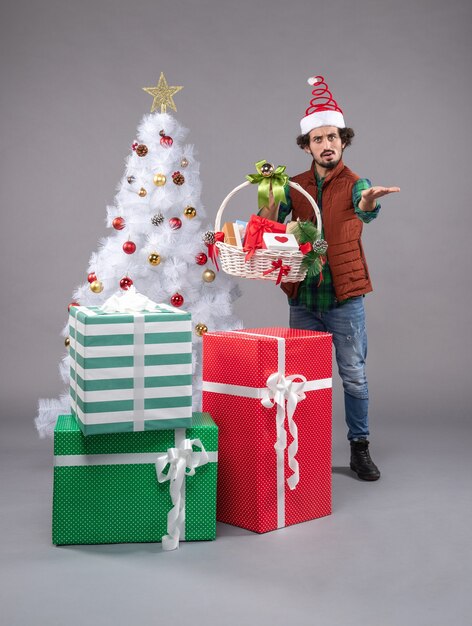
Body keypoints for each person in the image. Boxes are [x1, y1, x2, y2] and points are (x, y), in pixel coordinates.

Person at [260, 76, 400, 481]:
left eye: (333, 137)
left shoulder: (358, 183)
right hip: (303, 297)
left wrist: (369, 202)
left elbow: (365, 207)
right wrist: (268, 202)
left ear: (343, 141)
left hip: (345, 297)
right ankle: (303, 448)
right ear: (307, 146)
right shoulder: (295, 186)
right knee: (299, 380)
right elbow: (269, 226)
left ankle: (359, 449)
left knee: (353, 375)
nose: (327, 144)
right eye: (318, 138)